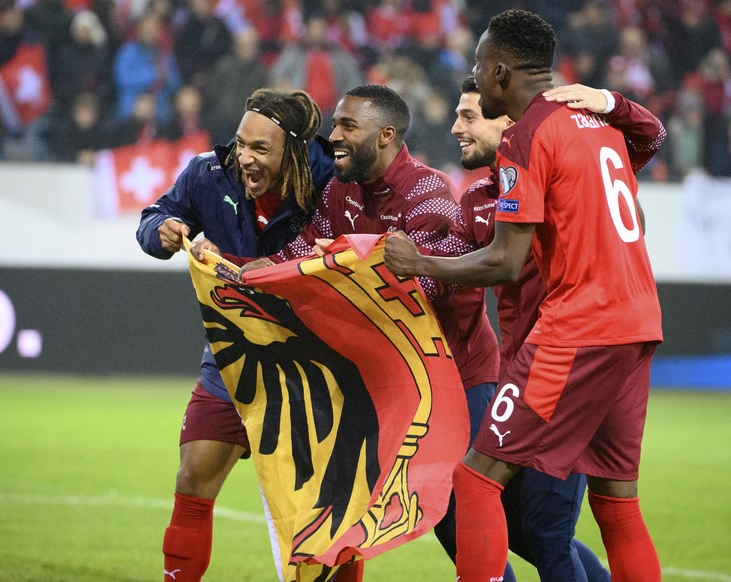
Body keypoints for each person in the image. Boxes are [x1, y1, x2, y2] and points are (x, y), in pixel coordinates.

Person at [383, 10, 664, 582]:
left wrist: (418, 262)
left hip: (578, 328)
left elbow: (505, 260)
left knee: (475, 479)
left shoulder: (525, 135)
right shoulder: (599, 126)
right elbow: (652, 136)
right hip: (639, 324)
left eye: (479, 67)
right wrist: (613, 101)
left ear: (502, 70)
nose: (476, 77)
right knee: (617, 504)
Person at [227, 83, 501, 581]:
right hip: (384, 383)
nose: (333, 136)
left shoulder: (429, 193)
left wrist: (342, 277)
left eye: (347, 126)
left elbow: (422, 285)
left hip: (458, 380)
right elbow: (302, 254)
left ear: (385, 135)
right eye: (334, 124)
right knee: (350, 508)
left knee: (491, 523)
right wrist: (244, 271)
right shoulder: (339, 189)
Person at [135, 87, 334, 582]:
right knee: (193, 477)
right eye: (242, 142)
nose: (244, 156)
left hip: (311, 365)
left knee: (326, 511)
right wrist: (161, 230)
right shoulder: (209, 171)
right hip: (234, 356)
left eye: (260, 149)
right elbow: (154, 215)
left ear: (293, 151)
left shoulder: (330, 181)